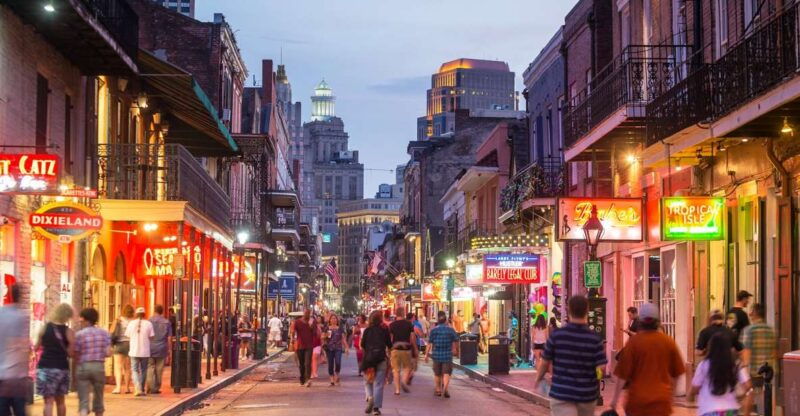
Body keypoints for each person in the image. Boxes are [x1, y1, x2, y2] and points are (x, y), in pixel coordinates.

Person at [533, 296, 606, 416]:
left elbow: (545, 362)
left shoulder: (557, 335)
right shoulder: (594, 338)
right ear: (587, 310)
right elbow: (601, 367)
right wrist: (594, 377)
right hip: (586, 394)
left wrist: (538, 378)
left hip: (562, 393)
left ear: (569, 310)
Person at [609, 302, 686, 416]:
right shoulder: (668, 342)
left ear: (641, 321)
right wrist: (671, 396)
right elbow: (678, 373)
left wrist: (614, 401)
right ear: (657, 322)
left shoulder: (634, 343)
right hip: (661, 403)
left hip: (637, 403)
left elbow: (622, 376)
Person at [689, 333, 751, 416]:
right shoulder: (735, 364)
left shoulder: (704, 365)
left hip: (709, 410)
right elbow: (748, 387)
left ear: (711, 348)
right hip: (731, 411)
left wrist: (690, 396)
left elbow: (695, 387)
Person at [35, 303, 75, 416]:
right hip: (61, 368)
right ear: (67, 316)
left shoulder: (45, 327)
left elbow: (36, 347)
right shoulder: (69, 332)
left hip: (45, 368)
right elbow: (71, 354)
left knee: (48, 402)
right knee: (61, 402)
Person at [74, 308, 111, 416]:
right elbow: (108, 353)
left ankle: (84, 412)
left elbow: (76, 353)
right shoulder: (104, 333)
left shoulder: (79, 334)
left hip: (83, 366)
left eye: (81, 318)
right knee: (99, 397)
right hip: (99, 366)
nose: (80, 320)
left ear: (86, 320)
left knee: (83, 399)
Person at [742, 303, 776, 416]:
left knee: (749, 395)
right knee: (767, 397)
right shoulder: (771, 330)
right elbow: (774, 352)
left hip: (754, 372)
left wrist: (745, 370)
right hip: (768, 373)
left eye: (751, 311)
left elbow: (746, 352)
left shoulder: (749, 330)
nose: (750, 314)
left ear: (755, 313)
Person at [0, 285, 30, 416]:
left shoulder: (2, 313)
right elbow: (18, 345)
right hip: (14, 374)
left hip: (4, 373)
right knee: (19, 409)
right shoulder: (20, 317)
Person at [361, 310, 392, 415]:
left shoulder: (367, 330)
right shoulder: (384, 330)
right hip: (381, 358)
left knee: (367, 381)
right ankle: (376, 409)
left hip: (369, 360)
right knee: (379, 384)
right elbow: (389, 344)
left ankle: (370, 397)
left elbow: (363, 345)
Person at [425, 311, 460, 398]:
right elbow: (456, 341)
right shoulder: (451, 330)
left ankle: (438, 390)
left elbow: (429, 343)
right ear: (446, 320)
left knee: (437, 373)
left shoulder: (434, 330)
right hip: (447, 354)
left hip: (436, 354)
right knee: (446, 373)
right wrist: (457, 350)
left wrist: (426, 354)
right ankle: (445, 388)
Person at [124, 307, 154, 397]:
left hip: (134, 350)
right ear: (144, 314)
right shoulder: (148, 324)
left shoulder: (131, 323)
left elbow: (127, 335)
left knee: (134, 370)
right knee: (144, 370)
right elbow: (152, 336)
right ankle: (141, 388)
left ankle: (137, 387)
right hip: (145, 351)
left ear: (136, 314)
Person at [388, 308, 417, 395]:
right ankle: (404, 381)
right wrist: (414, 347)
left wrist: (389, 349)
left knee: (395, 370)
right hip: (406, 349)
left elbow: (390, 338)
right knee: (407, 368)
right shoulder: (409, 324)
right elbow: (412, 338)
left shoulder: (392, 325)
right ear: (403, 313)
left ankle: (397, 390)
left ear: (396, 314)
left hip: (395, 349)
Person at [147, 305, 171, 395]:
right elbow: (169, 338)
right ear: (162, 312)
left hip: (150, 347)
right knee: (159, 369)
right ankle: (156, 387)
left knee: (150, 367)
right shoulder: (167, 322)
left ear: (154, 311)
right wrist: (169, 351)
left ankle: (150, 386)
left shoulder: (149, 321)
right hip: (162, 348)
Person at [111, 305, 134, 394]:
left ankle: (118, 387)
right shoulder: (133, 321)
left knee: (118, 366)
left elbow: (111, 331)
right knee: (127, 367)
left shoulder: (118, 320)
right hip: (129, 344)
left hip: (119, 344)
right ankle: (127, 388)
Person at [290, 310, 314, 387]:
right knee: (301, 364)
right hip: (300, 345)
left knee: (307, 363)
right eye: (306, 313)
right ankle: (302, 378)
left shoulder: (312, 322)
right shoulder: (297, 322)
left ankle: (308, 379)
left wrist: (311, 326)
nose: (307, 315)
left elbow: (316, 332)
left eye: (309, 313)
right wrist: (292, 341)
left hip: (309, 345)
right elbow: (293, 332)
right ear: (303, 314)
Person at [323, 314, 348, 386]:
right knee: (330, 364)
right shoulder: (327, 328)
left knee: (338, 362)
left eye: (335, 319)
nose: (334, 320)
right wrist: (325, 336)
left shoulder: (340, 329)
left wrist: (346, 347)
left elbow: (343, 339)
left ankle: (337, 374)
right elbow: (322, 337)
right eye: (332, 319)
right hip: (329, 348)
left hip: (338, 348)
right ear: (330, 320)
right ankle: (331, 379)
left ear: (337, 320)